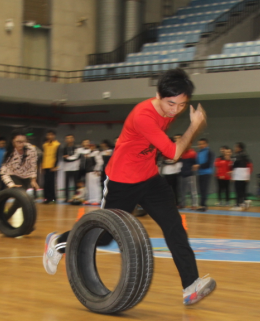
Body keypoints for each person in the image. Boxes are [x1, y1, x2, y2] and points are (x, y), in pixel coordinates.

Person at [43, 68, 216, 306]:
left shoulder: (171, 108)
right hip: (122, 181)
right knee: (102, 238)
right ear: (158, 94)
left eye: (182, 105)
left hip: (151, 178)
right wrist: (194, 126)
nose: (175, 110)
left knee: (174, 227)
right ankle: (57, 242)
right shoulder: (143, 115)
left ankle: (191, 285)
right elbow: (174, 153)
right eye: (171, 104)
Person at [160, 134, 182, 205]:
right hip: (167, 172)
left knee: (173, 189)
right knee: (169, 189)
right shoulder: (165, 150)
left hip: (172, 172)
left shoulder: (173, 149)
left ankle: (175, 202)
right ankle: (171, 202)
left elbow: (177, 160)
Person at [231, 142, 252, 211]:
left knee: (238, 190)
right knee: (242, 190)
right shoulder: (246, 156)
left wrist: (233, 174)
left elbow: (234, 166)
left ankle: (238, 205)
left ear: (239, 148)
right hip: (244, 175)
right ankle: (244, 202)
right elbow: (249, 166)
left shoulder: (237, 156)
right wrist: (248, 175)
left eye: (236, 147)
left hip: (239, 174)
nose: (235, 149)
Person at [42, 130, 60, 203]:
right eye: (48, 135)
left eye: (51, 135)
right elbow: (43, 156)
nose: (50, 136)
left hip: (52, 167)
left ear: (54, 136)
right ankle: (46, 198)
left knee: (52, 183)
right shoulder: (44, 145)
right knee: (45, 183)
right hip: (45, 166)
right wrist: (42, 166)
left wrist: (55, 166)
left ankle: (53, 198)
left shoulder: (57, 144)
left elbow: (57, 156)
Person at [61, 135, 80, 201]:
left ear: (73, 139)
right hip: (67, 168)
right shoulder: (64, 148)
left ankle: (75, 197)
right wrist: (67, 157)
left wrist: (68, 157)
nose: (69, 139)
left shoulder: (76, 148)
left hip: (75, 167)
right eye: (67, 138)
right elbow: (63, 158)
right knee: (66, 183)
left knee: (75, 183)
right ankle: (66, 197)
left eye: (71, 138)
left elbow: (76, 157)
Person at [196, 138, 214, 211]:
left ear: (206, 144)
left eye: (202, 144)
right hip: (200, 173)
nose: (200, 145)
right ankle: (201, 205)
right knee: (200, 189)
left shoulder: (209, 152)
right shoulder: (199, 153)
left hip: (206, 173)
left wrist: (199, 166)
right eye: (199, 144)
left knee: (204, 189)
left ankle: (204, 205)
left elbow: (208, 164)